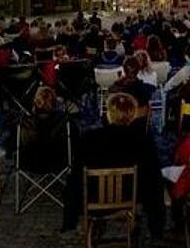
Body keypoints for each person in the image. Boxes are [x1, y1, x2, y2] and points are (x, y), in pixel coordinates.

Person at [61, 92, 164, 237]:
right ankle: (156, 228)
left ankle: (70, 224)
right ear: (133, 114)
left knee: (72, 180)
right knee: (152, 178)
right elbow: (154, 179)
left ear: (109, 114)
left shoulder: (90, 139)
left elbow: (77, 175)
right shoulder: (143, 141)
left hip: (94, 198)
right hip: (130, 198)